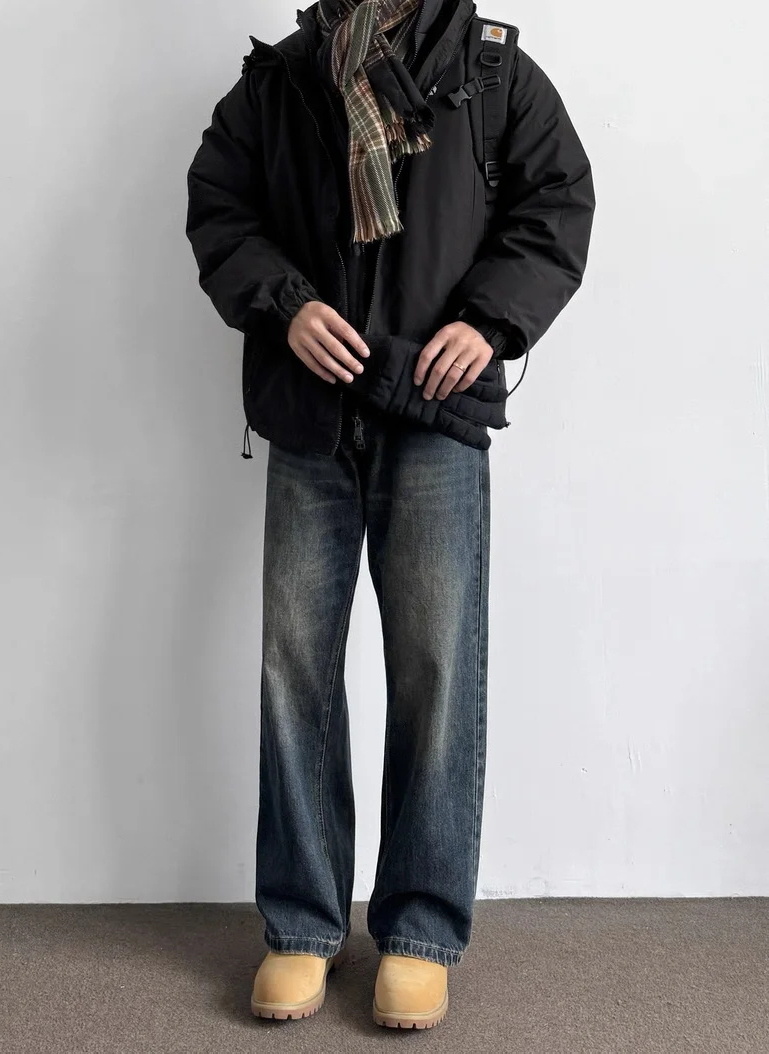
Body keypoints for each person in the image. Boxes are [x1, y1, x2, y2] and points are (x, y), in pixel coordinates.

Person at [186, 0, 595, 1030]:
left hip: (432, 412)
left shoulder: (494, 75)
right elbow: (220, 207)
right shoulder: (282, 78)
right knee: (294, 669)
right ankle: (301, 925)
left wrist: (490, 320)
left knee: (435, 671)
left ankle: (418, 932)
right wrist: (286, 304)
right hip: (310, 412)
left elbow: (557, 200)